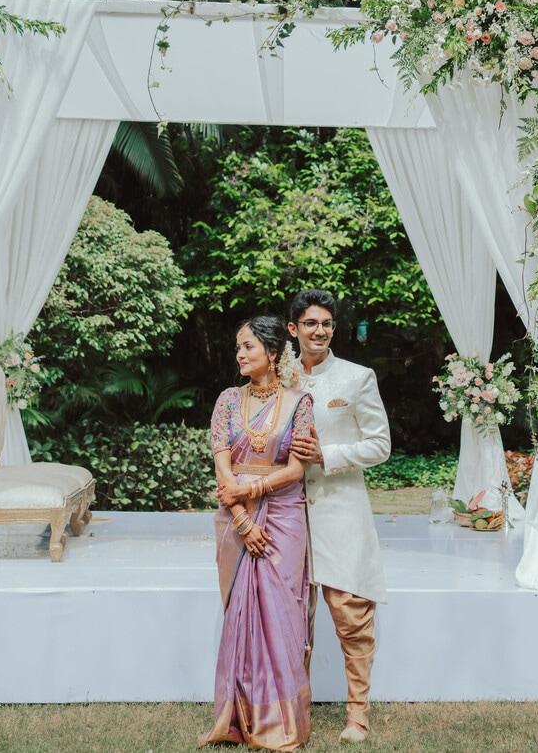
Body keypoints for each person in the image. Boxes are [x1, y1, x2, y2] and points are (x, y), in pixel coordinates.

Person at [200, 316, 316, 752]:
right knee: (241, 614)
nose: (240, 354)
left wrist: (254, 490)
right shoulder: (228, 400)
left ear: (272, 352)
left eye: (248, 347)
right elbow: (222, 463)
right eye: (237, 348)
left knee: (280, 613)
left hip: (283, 517)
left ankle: (279, 723)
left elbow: (297, 468)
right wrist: (243, 518)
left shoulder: (298, 402)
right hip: (234, 517)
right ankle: (240, 718)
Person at [285, 289, 390, 745]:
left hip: (340, 511)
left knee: (351, 615)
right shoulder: (280, 379)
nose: (320, 331)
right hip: (287, 513)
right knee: (290, 617)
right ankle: (291, 711)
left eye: (326, 324)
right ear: (294, 329)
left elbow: (380, 445)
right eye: (311, 323)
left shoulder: (357, 378)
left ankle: (358, 715)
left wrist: (327, 454)